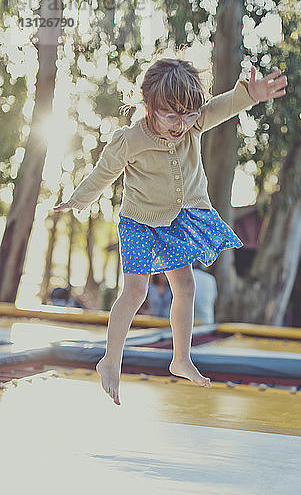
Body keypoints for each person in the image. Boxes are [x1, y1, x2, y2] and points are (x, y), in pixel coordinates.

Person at [53, 52, 287, 405]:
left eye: (189, 114)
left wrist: (251, 95)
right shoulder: (129, 139)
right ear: (149, 105)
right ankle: (110, 361)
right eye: (171, 115)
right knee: (135, 293)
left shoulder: (193, 124)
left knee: (187, 286)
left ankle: (181, 359)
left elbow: (222, 107)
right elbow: (104, 173)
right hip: (139, 223)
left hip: (177, 219)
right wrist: (78, 199)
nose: (181, 124)